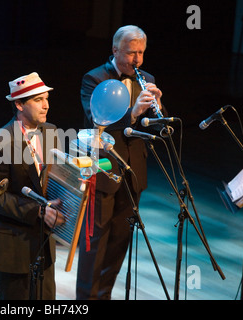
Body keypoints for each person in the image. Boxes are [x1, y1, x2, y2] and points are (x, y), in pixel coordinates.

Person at [77, 25, 167, 299]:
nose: (137, 59)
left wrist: (159, 111)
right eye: (131, 53)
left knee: (119, 242)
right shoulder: (94, 78)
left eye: (141, 52)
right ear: (115, 50)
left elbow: (156, 130)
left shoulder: (146, 78)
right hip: (102, 171)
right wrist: (133, 112)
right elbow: (96, 119)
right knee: (95, 243)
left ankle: (103, 295)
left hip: (133, 173)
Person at [0, 72, 64, 300]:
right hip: (13, 246)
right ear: (18, 104)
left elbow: (55, 181)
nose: (45, 105)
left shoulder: (51, 132)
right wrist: (37, 211)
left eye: (46, 99)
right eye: (38, 100)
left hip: (44, 244)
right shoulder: (0, 140)